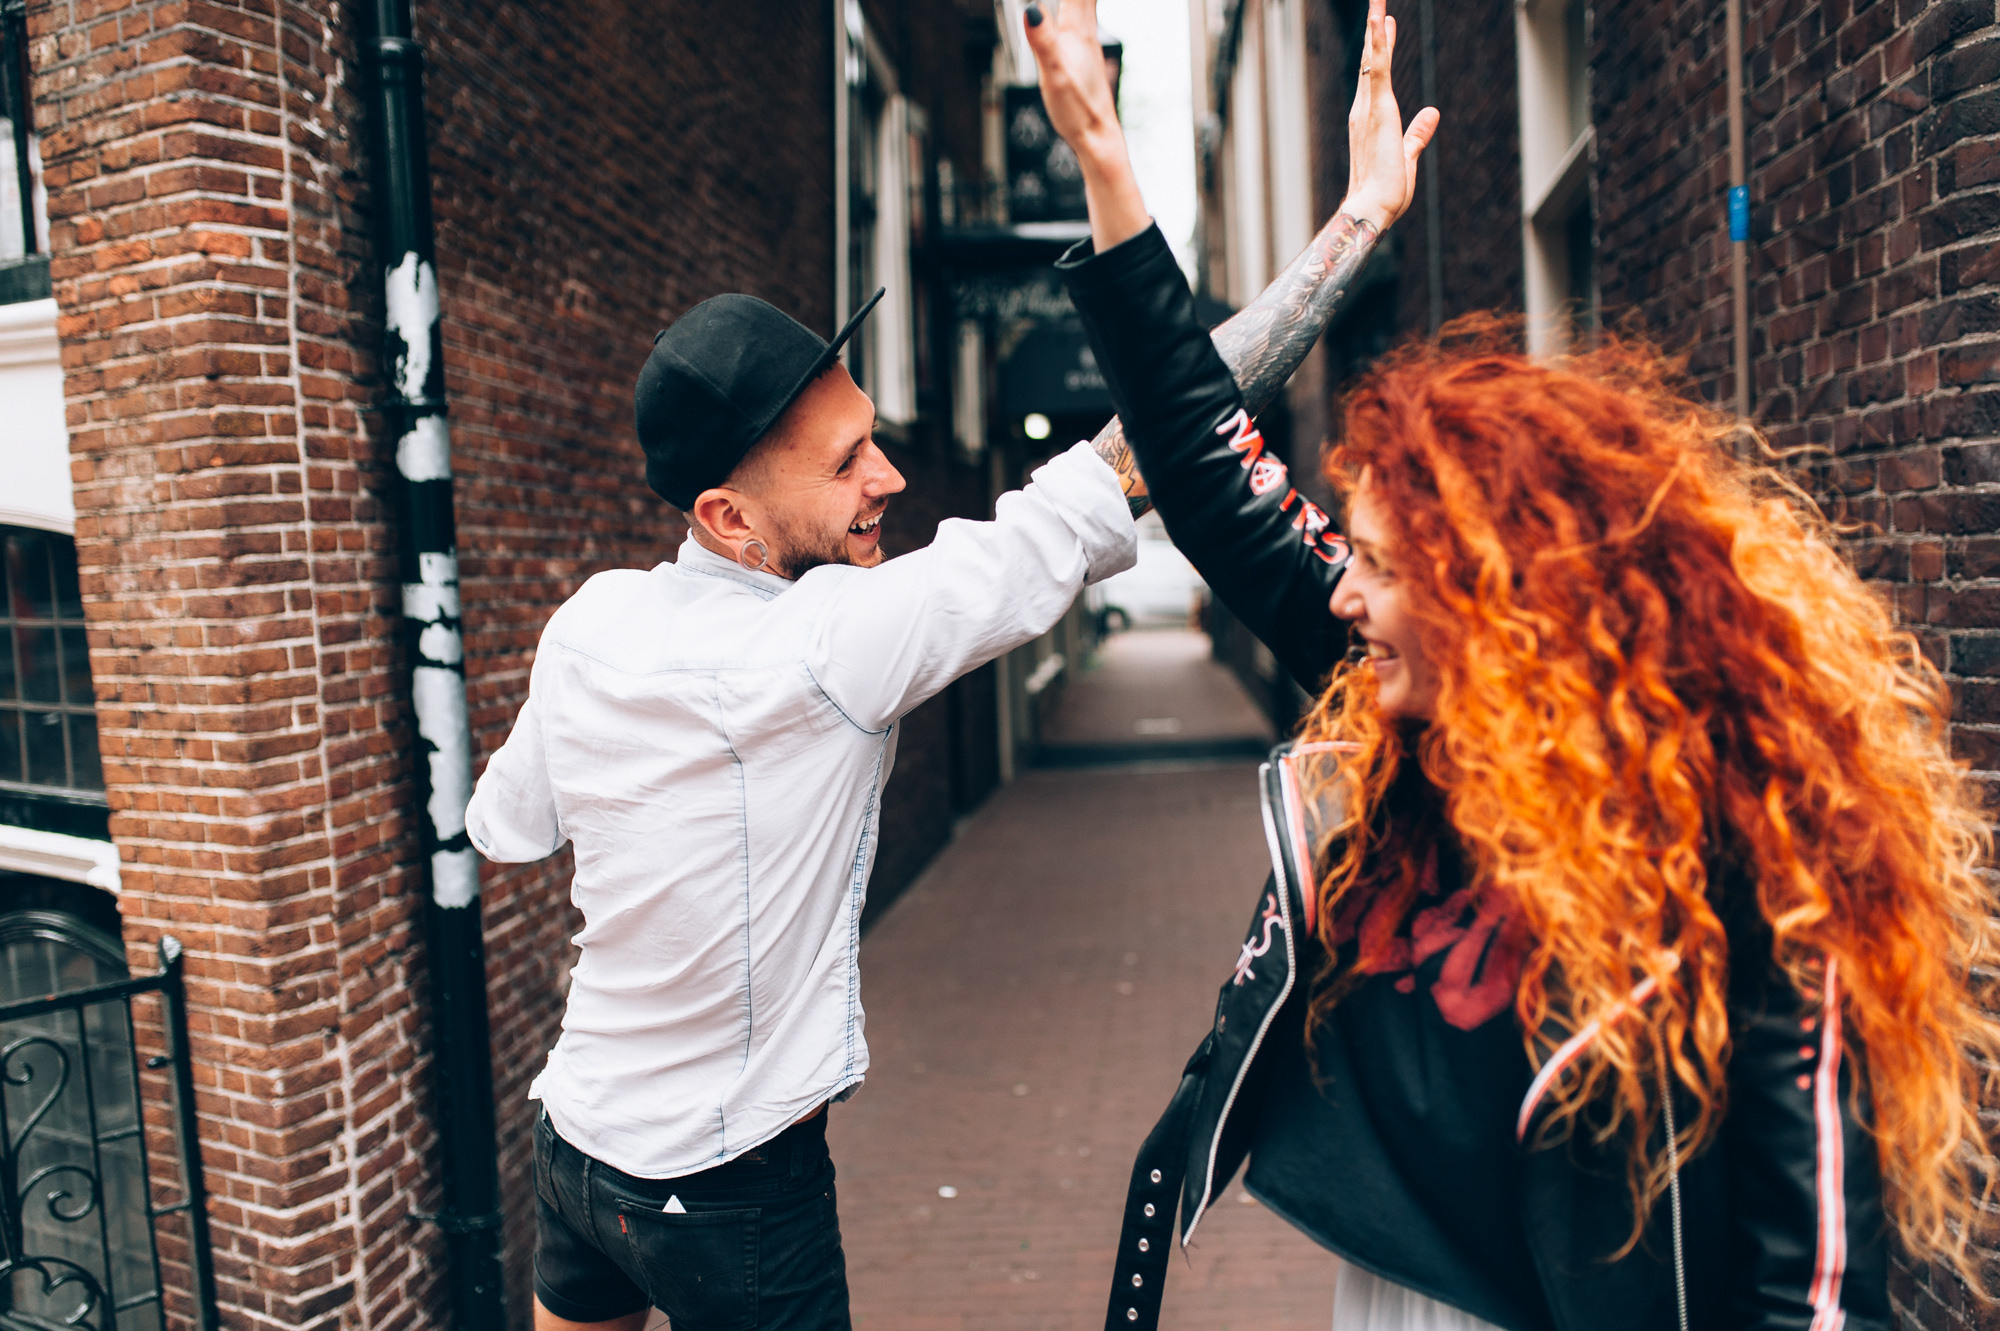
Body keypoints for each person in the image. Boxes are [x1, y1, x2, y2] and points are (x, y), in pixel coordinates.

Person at [1025, 2, 2000, 1329]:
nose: (1343, 590)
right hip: (1382, 1294)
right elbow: (1207, 467)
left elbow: (1815, 1277)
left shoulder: (1758, 855)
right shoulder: (1413, 719)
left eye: (1373, 559)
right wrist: (1107, 162)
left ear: (1493, 597)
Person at [462, 287, 1150, 1331]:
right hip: (729, 1184)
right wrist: (1353, 229)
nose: (889, 475)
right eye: (845, 463)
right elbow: (1090, 491)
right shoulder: (830, 639)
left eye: (869, 436)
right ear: (726, 518)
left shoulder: (590, 618)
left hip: (576, 1151)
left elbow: (506, 824)